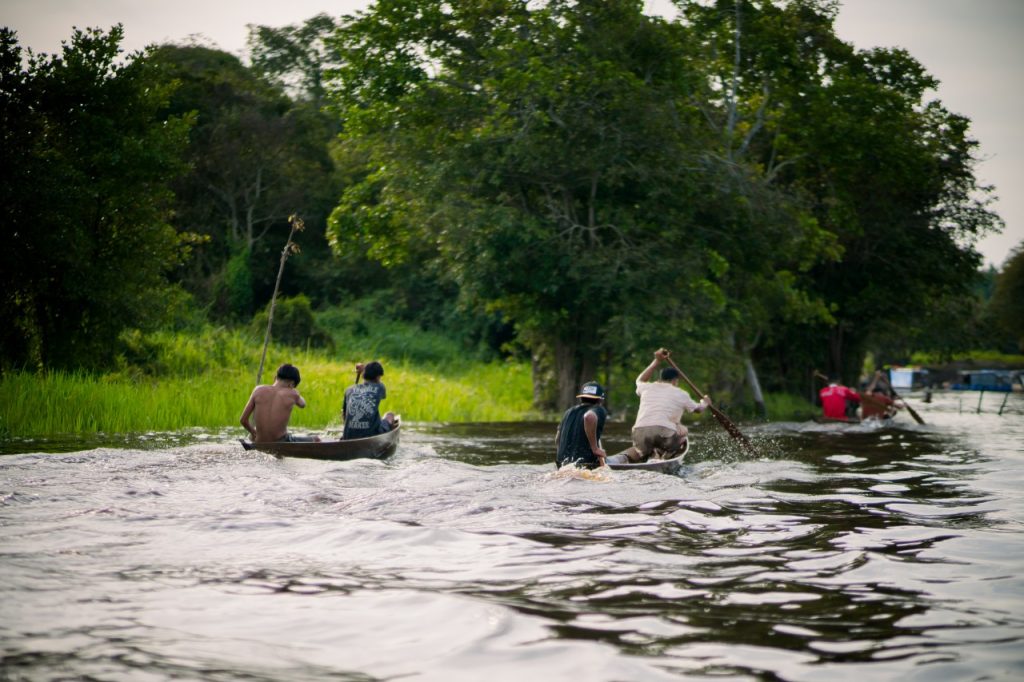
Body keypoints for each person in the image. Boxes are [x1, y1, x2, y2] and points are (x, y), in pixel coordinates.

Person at [610, 348, 710, 464]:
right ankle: (661, 457)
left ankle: (621, 459)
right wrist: (705, 402)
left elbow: (640, 379)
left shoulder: (646, 387)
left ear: (660, 379)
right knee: (683, 432)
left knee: (639, 451)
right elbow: (699, 409)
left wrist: (656, 361)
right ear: (675, 381)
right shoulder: (681, 393)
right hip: (664, 434)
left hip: (640, 432)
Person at [240, 363, 319, 443]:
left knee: (251, 437)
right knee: (316, 439)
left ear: (275, 378)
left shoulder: (258, 390)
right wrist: (295, 392)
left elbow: (243, 420)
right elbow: (303, 404)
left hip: (259, 441)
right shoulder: (293, 393)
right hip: (280, 441)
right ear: (291, 384)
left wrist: (253, 432)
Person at [555, 381, 608, 469]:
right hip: (584, 465)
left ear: (581, 398)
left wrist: (561, 456)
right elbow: (589, 417)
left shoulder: (568, 412)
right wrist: (595, 449)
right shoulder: (598, 409)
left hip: (561, 465)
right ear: (600, 399)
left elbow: (557, 439)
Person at [342, 361, 397, 439]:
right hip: (371, 435)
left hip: (348, 436)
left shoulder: (349, 389)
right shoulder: (380, 387)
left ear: (364, 375)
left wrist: (364, 371)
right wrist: (364, 370)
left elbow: (344, 415)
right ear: (378, 377)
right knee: (390, 415)